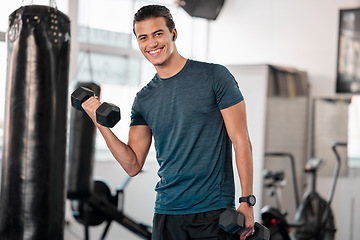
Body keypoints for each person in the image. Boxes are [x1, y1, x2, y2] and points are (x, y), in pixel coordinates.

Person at [82, 4, 254, 240]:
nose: (152, 43)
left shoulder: (215, 76)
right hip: (166, 213)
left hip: (212, 212)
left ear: (174, 33)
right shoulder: (143, 99)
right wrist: (101, 125)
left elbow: (241, 140)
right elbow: (133, 165)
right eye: (143, 37)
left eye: (158, 34)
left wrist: (247, 200)